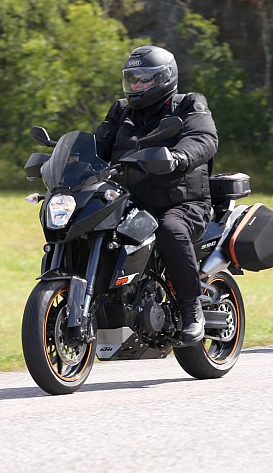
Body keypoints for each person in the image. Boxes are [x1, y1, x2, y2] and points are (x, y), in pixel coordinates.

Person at [94, 45, 218, 343]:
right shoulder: (122, 110)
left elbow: (204, 137)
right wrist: (68, 160)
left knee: (170, 230)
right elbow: (98, 143)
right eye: (132, 79)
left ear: (165, 77)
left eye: (144, 79)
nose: (136, 85)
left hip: (181, 202)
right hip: (129, 201)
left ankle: (191, 308)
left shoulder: (189, 104)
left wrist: (179, 157)